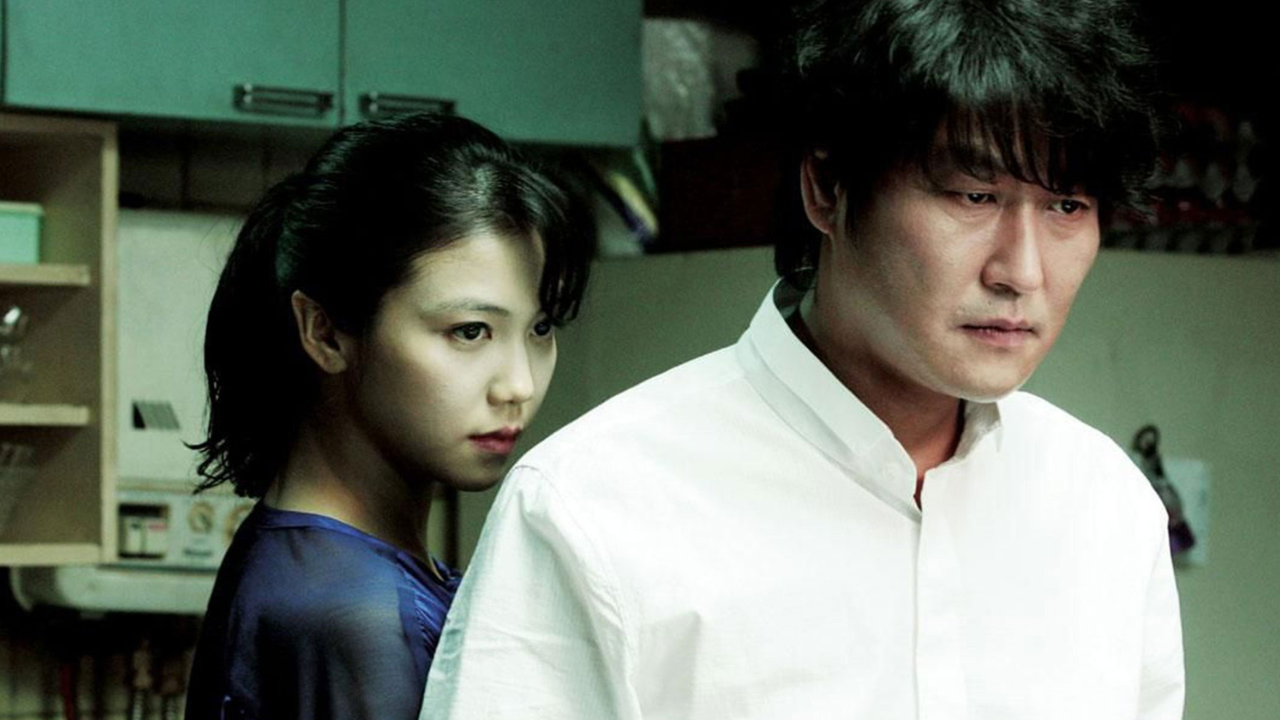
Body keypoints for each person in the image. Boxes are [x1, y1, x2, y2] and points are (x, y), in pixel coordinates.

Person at [420, 0, 1184, 718]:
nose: (1021, 270)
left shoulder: (1105, 508)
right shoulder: (593, 507)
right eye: (972, 195)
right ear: (826, 187)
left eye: (1067, 206)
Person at [183, 113, 592, 720]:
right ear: (325, 332)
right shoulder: (353, 613)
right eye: (470, 331)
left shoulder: (324, 561)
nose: (519, 386)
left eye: (540, 328)